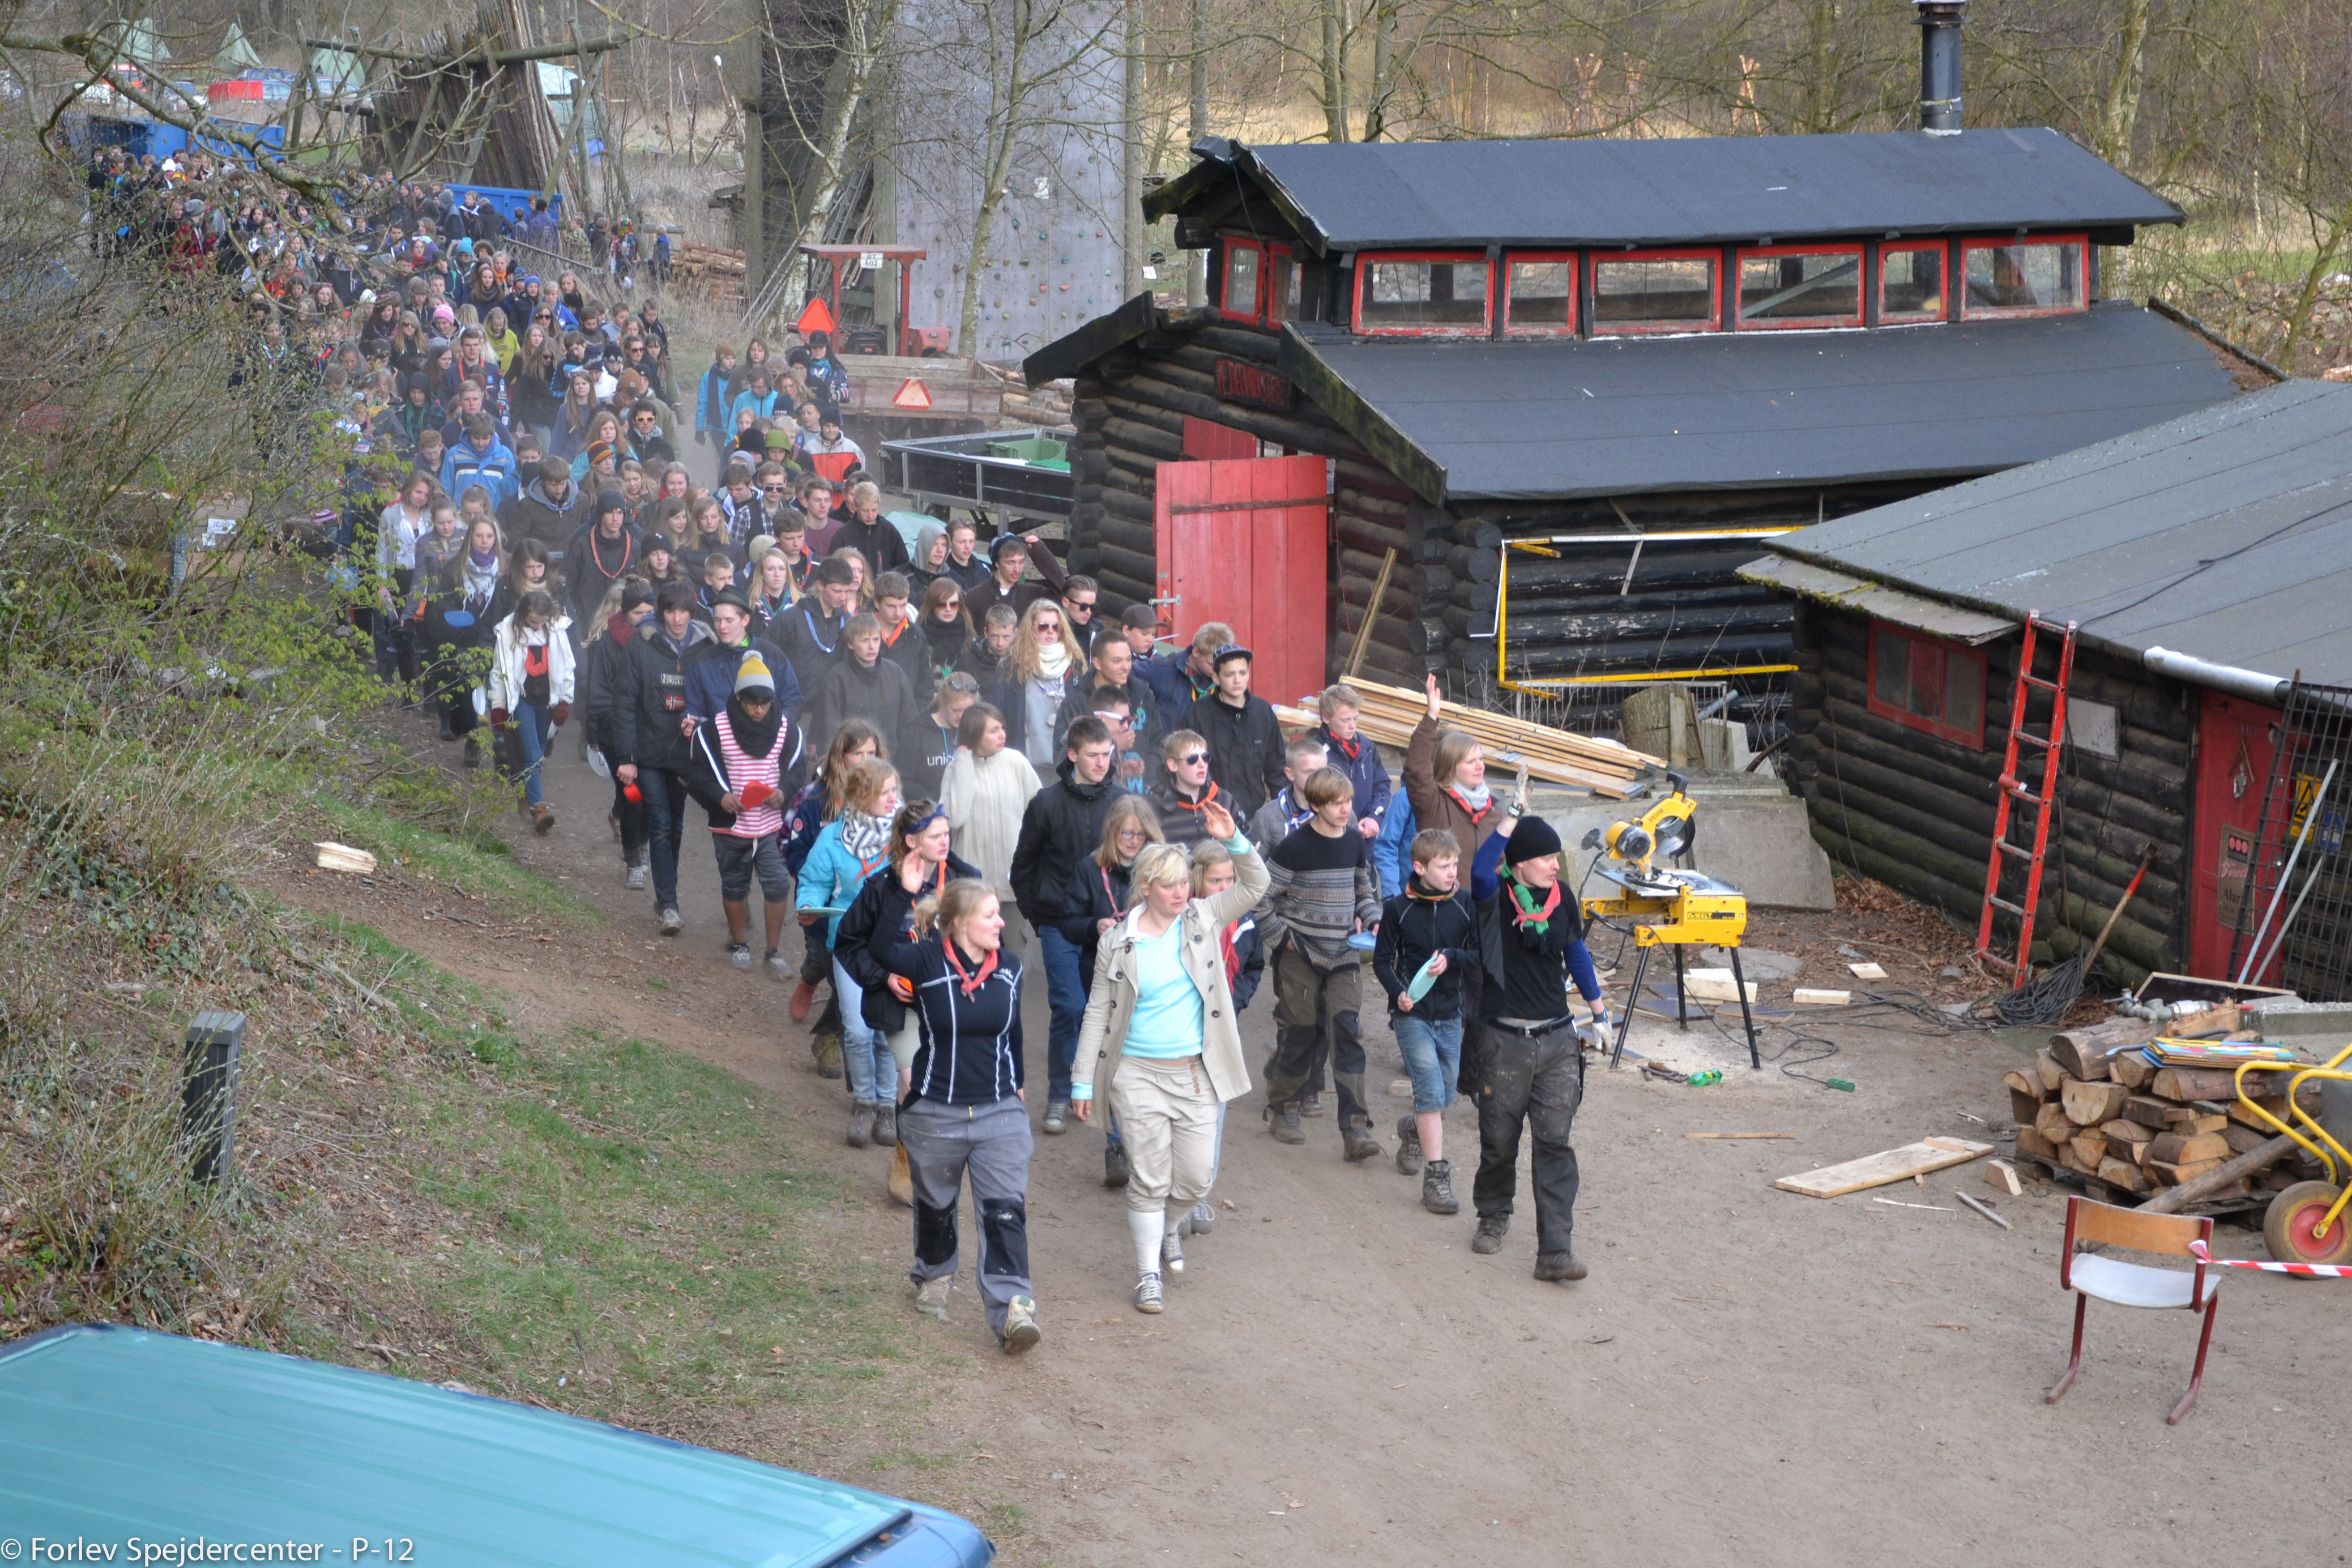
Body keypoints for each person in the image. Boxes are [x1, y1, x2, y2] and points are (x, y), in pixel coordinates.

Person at [1071, 802, 1265, 1314]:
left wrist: (1235, 839)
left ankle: (1169, 1227)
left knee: (1198, 1178)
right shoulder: (1118, 942)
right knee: (1150, 1179)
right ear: (1146, 888)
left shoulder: (1202, 917)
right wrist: (1081, 1081)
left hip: (1196, 1072)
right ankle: (1147, 1275)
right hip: (1135, 1074)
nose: (1181, 892)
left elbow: (1256, 885)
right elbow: (1097, 1012)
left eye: (1184, 882)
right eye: (1170, 885)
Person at [864, 878, 1040, 1352]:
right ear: (960, 923)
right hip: (935, 1111)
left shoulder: (1010, 966)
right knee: (936, 1203)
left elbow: (1014, 1030)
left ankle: (1013, 1308)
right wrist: (898, 892)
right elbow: (877, 948)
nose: (1001, 922)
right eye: (990, 914)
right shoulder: (925, 961)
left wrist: (1018, 1082)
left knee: (1004, 1208)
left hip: (999, 1110)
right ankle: (934, 1275)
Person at [1466, 792, 1609, 1282]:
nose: (1555, 864)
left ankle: (1554, 1250)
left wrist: (1598, 1010)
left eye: (1555, 857)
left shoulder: (1561, 897)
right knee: (1498, 1140)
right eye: (1546, 857)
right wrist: (1510, 818)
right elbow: (1480, 870)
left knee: (1554, 1143)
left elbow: (1576, 953)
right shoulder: (1493, 897)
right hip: (1503, 1042)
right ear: (1521, 863)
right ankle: (1493, 1212)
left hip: (1556, 1042)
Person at [838, 799, 982, 1152]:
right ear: (912, 841)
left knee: (933, 1092)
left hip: (952, 1004)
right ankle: (910, 1163)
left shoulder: (966, 884)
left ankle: (917, 1156)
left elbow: (989, 944)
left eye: (946, 834)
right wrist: (883, 977)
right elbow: (848, 942)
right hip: (904, 1007)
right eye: (935, 836)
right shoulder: (882, 888)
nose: (945, 841)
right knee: (917, 1084)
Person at [1256, 766, 1384, 1159]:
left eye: (1348, 801)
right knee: (1300, 1030)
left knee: (1347, 1032)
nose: (1345, 809)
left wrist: (1373, 918)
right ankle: (1284, 1108)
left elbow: (1363, 889)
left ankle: (1356, 1127)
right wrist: (1283, 940)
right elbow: (1261, 898)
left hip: (1344, 951)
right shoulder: (1294, 847)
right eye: (1336, 803)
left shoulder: (1353, 841)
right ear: (1315, 805)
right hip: (1300, 952)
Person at [1009, 717, 1119, 1137]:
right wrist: (1037, 917)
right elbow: (1023, 865)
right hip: (1057, 924)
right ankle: (1059, 1093)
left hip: (1108, 926)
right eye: (1092, 755)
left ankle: (1097, 1092)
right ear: (1072, 755)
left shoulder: (1122, 802)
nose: (1101, 762)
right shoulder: (1046, 803)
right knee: (1069, 1007)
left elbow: (1140, 862)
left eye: (1106, 754)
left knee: (1104, 1010)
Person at [1405, 672, 1504, 1101]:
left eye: (1480, 759)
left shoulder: (1496, 810)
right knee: (1440, 1001)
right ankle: (1431, 1073)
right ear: (1450, 768)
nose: (1479, 766)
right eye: (1469, 761)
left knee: (1484, 1003)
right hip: (1440, 916)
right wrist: (1431, 718)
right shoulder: (1435, 803)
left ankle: (1470, 1077)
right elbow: (1415, 770)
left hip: (1483, 917)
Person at [796, 758, 903, 1147]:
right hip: (849, 946)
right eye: (885, 792)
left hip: (894, 947)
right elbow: (814, 880)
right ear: (861, 796)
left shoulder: (906, 836)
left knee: (887, 1031)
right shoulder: (832, 838)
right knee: (857, 1031)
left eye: (895, 790)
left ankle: (887, 1107)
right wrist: (809, 904)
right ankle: (864, 1104)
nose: (894, 799)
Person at [1372, 828, 1477, 1215]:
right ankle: (1436, 1178)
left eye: (1455, 864)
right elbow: (1382, 960)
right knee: (1431, 1090)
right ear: (1419, 867)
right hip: (1411, 1013)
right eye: (1443, 865)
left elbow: (1480, 954)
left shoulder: (1466, 904)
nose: (1452, 872)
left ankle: (1412, 1128)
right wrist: (1398, 992)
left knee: (1445, 1093)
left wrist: (1451, 957)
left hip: (1450, 1013)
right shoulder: (1397, 908)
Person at [685, 650, 808, 975]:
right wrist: (719, 796)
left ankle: (773, 951)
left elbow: (799, 768)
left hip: (771, 826)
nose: (759, 709)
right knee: (735, 885)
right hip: (731, 827)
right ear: (738, 698)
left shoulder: (786, 729)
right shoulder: (714, 729)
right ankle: (740, 944)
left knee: (778, 885)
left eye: (765, 703)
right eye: (752, 702)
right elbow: (696, 772)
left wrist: (783, 791)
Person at [607, 582, 717, 935]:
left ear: (692, 612)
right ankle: (669, 904)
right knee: (660, 823)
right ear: (661, 612)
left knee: (677, 826)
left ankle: (665, 895)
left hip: (687, 755)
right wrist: (627, 757)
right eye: (671, 611)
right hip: (649, 753)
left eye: (684, 611)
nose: (677, 619)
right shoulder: (640, 647)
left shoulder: (707, 648)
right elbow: (624, 703)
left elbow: (718, 699)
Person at [783, 720, 889, 1071]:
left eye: (871, 753)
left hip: (870, 916)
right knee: (819, 961)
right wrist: (817, 891)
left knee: (847, 979)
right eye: (857, 753)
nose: (865, 760)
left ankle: (829, 1038)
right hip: (823, 910)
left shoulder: (890, 804)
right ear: (839, 757)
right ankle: (807, 980)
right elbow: (794, 849)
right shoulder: (814, 799)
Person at [940, 701, 1041, 928]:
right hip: (973, 884)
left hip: (1014, 882)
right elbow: (955, 818)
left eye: (1002, 728)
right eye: (994, 731)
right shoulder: (956, 768)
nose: (1002, 735)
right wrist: (963, 760)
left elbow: (1040, 812)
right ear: (975, 734)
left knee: (1014, 945)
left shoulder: (1017, 761)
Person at [582, 578, 655, 887]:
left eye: (649, 612)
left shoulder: (659, 641)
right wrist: (595, 735)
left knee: (651, 798)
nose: (645, 618)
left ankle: (642, 841)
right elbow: (597, 694)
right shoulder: (606, 643)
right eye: (638, 613)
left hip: (651, 734)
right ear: (625, 613)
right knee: (632, 796)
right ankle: (633, 859)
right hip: (616, 735)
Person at [484, 587, 574, 834]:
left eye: (542, 621)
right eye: (533, 622)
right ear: (523, 615)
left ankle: (524, 793)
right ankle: (540, 809)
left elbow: (568, 667)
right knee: (533, 752)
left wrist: (565, 701)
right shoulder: (508, 632)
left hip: (548, 699)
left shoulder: (557, 630)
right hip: (521, 699)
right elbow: (499, 673)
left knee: (539, 753)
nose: (538, 626)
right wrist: (498, 707)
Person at [807, 612, 927, 766]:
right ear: (850, 644)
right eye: (864, 640)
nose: (872, 646)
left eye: (876, 639)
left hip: (890, 765)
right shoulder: (836, 679)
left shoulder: (895, 674)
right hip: (850, 767)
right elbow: (829, 734)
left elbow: (909, 725)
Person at [1184, 643, 1286, 822]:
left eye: (1242, 673)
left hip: (1254, 815)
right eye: (1230, 674)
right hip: (1210, 814)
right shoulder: (1198, 713)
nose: (1237, 680)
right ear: (1216, 678)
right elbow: (1186, 766)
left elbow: (1277, 768)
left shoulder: (1262, 712)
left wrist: (1283, 812)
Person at [996, 599, 1083, 769]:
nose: (1050, 631)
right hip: (1024, 764)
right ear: (1031, 629)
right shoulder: (1011, 667)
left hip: (1066, 765)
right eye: (1043, 626)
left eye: (1056, 627)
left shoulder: (1075, 665)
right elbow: (998, 716)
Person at [776, 556, 857, 712]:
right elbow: (769, 659)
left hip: (834, 710)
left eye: (847, 591)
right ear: (820, 585)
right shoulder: (791, 619)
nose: (843, 597)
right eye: (837, 591)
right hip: (796, 710)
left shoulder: (848, 622)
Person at [1315, 683, 1391, 838]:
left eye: (1355, 719)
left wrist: (1374, 818)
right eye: (1345, 720)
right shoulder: (1315, 753)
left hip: (1365, 835)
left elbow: (1382, 785)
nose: (1352, 726)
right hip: (1330, 835)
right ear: (1326, 718)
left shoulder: (1367, 747)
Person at [1149, 729, 1226, 851]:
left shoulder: (1223, 798)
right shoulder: (1154, 807)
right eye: (1192, 759)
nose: (1202, 764)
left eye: (1205, 757)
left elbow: (1246, 844)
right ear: (1173, 765)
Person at [910, 670, 981, 801]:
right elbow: (903, 780)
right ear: (942, 702)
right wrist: (935, 801)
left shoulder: (974, 731)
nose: (961, 716)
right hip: (930, 808)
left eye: (967, 711)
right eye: (956, 710)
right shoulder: (917, 732)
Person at [1249, 735, 1330, 850]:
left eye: (1323, 771)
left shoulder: (1341, 811)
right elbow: (1257, 861)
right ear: (1290, 774)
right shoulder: (1266, 817)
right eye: (1309, 772)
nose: (1318, 778)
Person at [967, 532, 1066, 626]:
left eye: (1021, 562)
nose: (1017, 569)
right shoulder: (976, 597)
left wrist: (1040, 552)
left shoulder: (1031, 594)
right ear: (997, 563)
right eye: (1011, 563)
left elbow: (1060, 594)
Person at [872, 570, 930, 694]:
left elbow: (925, 685)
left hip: (906, 705)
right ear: (877, 603)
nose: (898, 613)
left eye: (903, 605)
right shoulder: (859, 632)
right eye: (891, 606)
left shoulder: (916, 635)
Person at [831, 481, 906, 574]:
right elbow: (833, 569)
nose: (870, 516)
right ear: (856, 506)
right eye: (865, 511)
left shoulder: (889, 531)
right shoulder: (843, 535)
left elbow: (903, 566)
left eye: (874, 510)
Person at [916, 578, 971, 689]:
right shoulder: (918, 636)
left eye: (954, 604)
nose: (948, 609)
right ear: (931, 605)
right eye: (941, 605)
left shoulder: (970, 634)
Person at [954, 603, 1017, 689]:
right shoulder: (967, 663)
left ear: (1015, 633)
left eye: (1006, 637)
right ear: (986, 633)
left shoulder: (1023, 662)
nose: (1000, 644)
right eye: (994, 636)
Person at [940, 521, 992, 595]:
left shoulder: (984, 571)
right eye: (962, 542)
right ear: (950, 542)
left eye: (971, 541)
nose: (968, 547)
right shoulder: (942, 572)